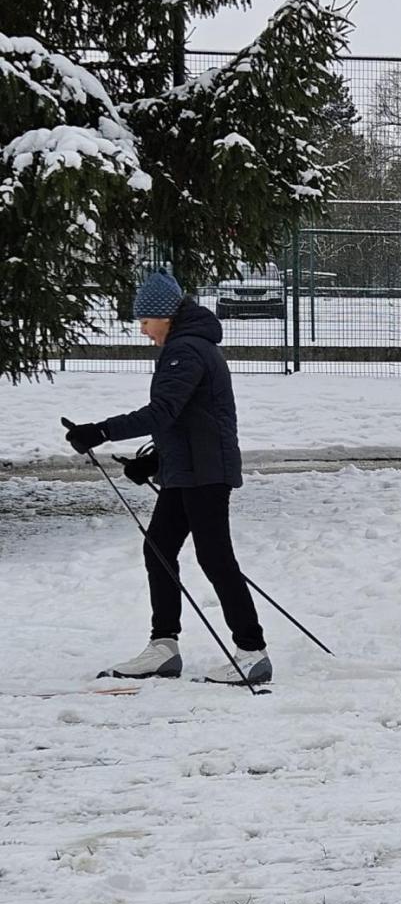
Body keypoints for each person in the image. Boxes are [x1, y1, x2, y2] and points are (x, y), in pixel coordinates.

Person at [62, 271, 272, 684]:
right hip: (189, 470)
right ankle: (164, 647)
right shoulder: (184, 348)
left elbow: (162, 412)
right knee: (158, 549)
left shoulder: (187, 350)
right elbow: (189, 420)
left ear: (165, 316)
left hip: (205, 473)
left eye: (144, 320)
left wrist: (100, 431)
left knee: (215, 558)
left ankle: (252, 651)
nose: (141, 329)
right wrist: (155, 462)